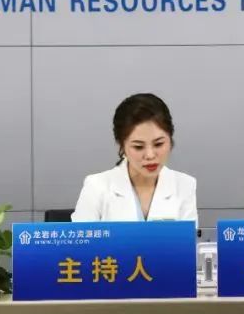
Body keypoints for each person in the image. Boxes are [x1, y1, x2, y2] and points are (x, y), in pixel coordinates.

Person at [72, 93, 198, 222]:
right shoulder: (96, 186)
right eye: (138, 147)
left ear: (170, 140)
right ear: (122, 146)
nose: (150, 155)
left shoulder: (185, 185)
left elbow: (189, 235)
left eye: (158, 144)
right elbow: (81, 235)